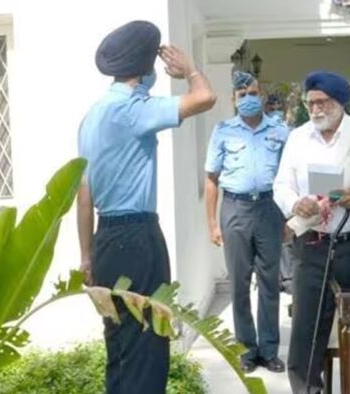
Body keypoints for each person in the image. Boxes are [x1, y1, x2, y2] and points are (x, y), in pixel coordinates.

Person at [77, 20, 216, 394]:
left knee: (119, 345)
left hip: (105, 239)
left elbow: (84, 193)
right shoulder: (134, 109)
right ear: (144, 70)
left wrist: (86, 256)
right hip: (137, 238)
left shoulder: (92, 117)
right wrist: (189, 70)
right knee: (147, 346)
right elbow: (205, 97)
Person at [274, 71, 350, 393]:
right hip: (313, 245)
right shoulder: (298, 138)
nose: (315, 109)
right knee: (306, 332)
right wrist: (295, 203)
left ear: (340, 102)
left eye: (322, 102)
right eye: (310, 103)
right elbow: (281, 185)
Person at [204, 71, 289, 373]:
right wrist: (212, 224)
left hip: (269, 209)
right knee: (239, 284)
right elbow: (211, 180)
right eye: (242, 95)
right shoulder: (223, 131)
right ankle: (246, 350)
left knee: (270, 283)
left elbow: (289, 177)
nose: (249, 99)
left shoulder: (280, 132)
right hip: (235, 209)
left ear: (261, 95)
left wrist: (288, 219)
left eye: (253, 93)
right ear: (233, 100)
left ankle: (268, 350)